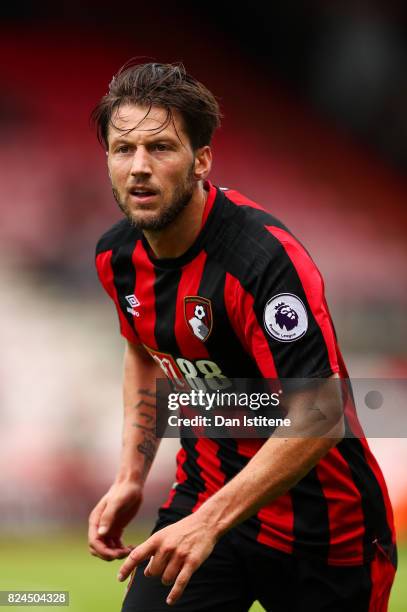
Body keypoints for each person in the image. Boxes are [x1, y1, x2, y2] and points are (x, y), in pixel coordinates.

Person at [88, 61, 397, 611]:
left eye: (160, 148)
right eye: (122, 149)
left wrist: (207, 522)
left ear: (202, 160)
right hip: (207, 501)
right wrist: (131, 477)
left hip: (325, 530)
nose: (138, 167)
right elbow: (143, 349)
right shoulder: (115, 256)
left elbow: (320, 413)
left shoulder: (262, 260)